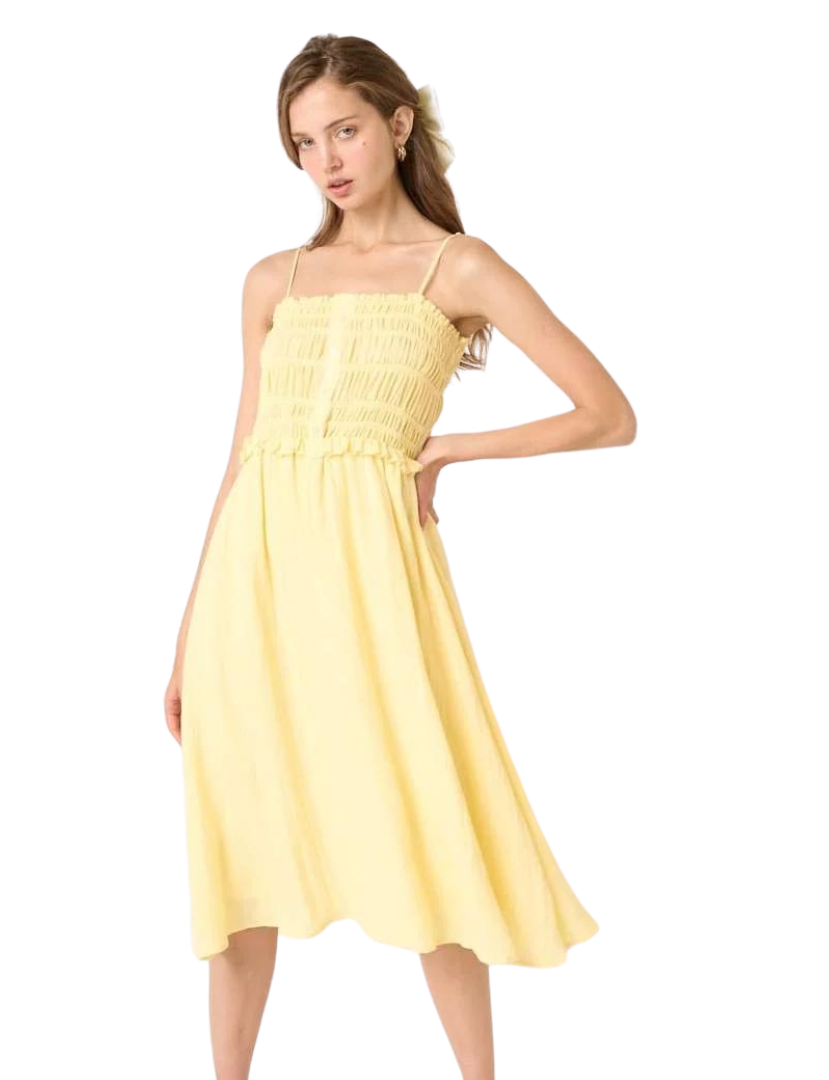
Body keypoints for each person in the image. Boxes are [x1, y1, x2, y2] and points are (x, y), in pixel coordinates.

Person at [164, 33, 632, 1080]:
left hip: (373, 588)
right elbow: (241, 455)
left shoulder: (459, 266)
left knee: (422, 828)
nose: (326, 159)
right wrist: (190, 637)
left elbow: (609, 415)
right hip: (252, 590)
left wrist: (457, 446)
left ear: (399, 123)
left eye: (344, 130)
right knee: (238, 850)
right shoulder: (272, 278)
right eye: (304, 142)